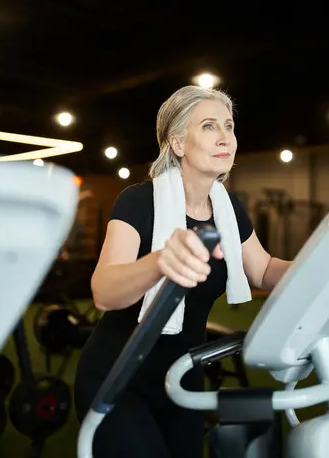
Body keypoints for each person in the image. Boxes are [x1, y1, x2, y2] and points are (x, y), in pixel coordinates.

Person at [74, 85, 291, 458]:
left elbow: (265, 269)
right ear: (176, 143)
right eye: (209, 126)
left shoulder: (229, 208)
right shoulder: (138, 201)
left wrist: (328, 260)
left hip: (181, 379)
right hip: (117, 377)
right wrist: (160, 261)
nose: (226, 137)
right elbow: (104, 291)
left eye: (229, 125)